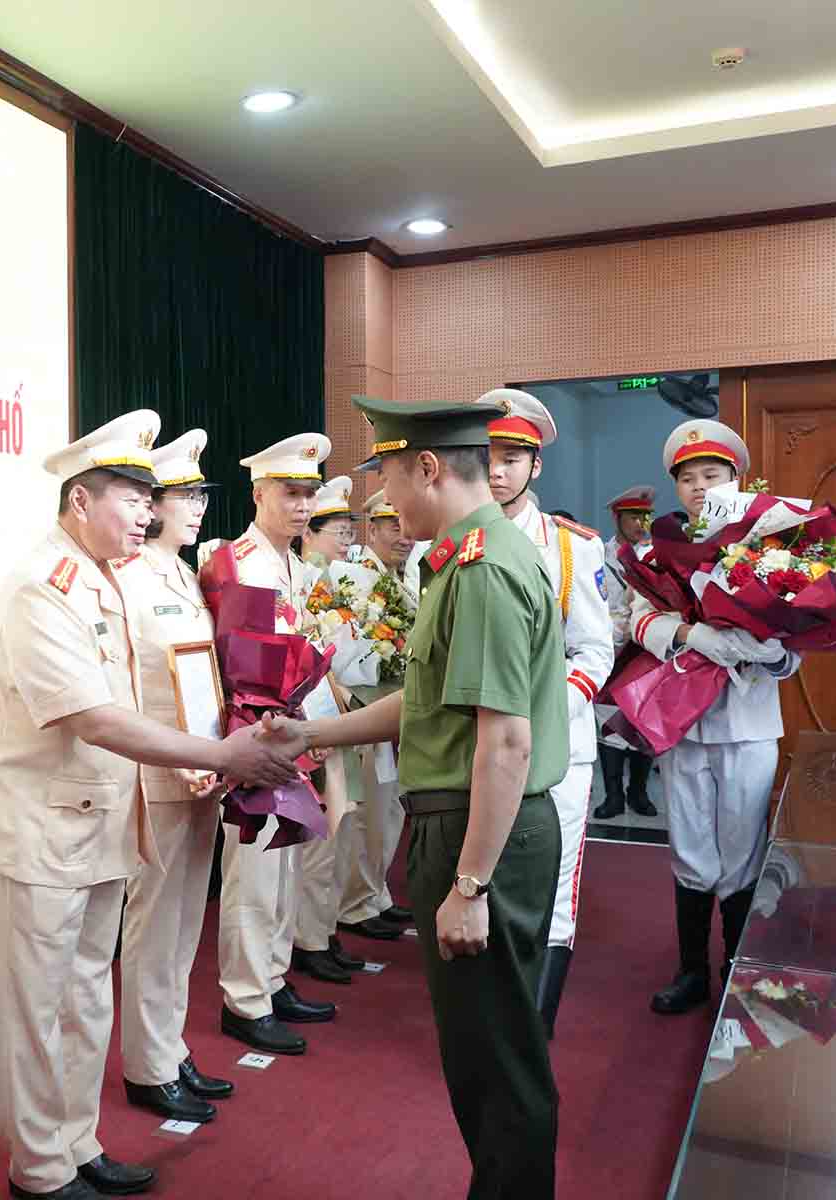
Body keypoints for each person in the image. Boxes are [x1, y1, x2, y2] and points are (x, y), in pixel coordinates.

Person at [0, 411, 299, 1200]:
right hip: (38, 836)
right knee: (37, 1011)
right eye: (131, 496)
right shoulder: (42, 586)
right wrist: (220, 755)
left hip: (100, 825)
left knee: (84, 999)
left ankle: (77, 1144)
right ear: (80, 499)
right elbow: (94, 717)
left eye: (151, 498)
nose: (147, 512)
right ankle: (40, 1169)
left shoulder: (108, 578)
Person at [265, 394, 567, 1198]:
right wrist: (310, 733)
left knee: (496, 1058)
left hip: (479, 830)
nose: (384, 499)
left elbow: (506, 741)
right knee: (481, 1050)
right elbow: (429, 701)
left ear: (428, 468)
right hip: (469, 821)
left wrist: (470, 884)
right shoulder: (465, 560)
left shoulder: (483, 571)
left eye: (390, 478)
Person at [630, 421, 800, 1016]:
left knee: (743, 848)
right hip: (683, 723)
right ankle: (692, 971)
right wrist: (689, 634)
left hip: (748, 722)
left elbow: (797, 645)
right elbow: (636, 619)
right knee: (690, 845)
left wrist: (771, 652)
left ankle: (736, 970)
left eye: (712, 475)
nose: (699, 487)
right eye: (688, 478)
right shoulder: (657, 549)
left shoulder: (772, 547)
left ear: (738, 479)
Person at [115, 428, 236, 1125]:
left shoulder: (186, 574)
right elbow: (126, 692)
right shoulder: (126, 578)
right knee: (155, 923)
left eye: (201, 496)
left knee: (188, 921)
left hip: (205, 772)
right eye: (184, 496)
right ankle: (147, 1064)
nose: (196, 508)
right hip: (157, 776)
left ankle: (170, 1044)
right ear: (151, 504)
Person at [484, 390, 614, 1039]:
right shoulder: (451, 544)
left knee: (555, 890)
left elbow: (594, 648)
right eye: (487, 458)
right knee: (483, 877)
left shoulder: (571, 547)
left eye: (512, 459)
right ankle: (493, 1021)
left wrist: (543, 709)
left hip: (557, 746)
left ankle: (534, 1033)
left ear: (535, 466)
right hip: (478, 746)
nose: (497, 471)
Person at [214, 433, 339, 1056]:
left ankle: (273, 976)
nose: (303, 505)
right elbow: (235, 669)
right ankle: (245, 999)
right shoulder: (237, 562)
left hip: (292, 732)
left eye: (309, 493)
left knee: (287, 867)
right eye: (291, 492)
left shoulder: (297, 566)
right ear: (259, 493)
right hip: (254, 736)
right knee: (256, 873)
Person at [290, 475, 373, 986]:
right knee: (318, 839)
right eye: (337, 531)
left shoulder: (341, 584)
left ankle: (322, 931)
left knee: (341, 831)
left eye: (348, 531)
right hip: (311, 721)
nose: (346, 540)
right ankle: (310, 940)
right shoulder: (300, 582)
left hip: (340, 717)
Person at [336, 488, 418, 939]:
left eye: (405, 526)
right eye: (392, 526)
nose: (403, 536)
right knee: (369, 812)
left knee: (389, 812)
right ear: (372, 529)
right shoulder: (357, 578)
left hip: (394, 711)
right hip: (366, 710)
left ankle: (375, 893)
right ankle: (357, 903)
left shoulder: (395, 576)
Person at [594, 485, 657, 820]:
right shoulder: (597, 555)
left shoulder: (655, 556)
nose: (641, 523)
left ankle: (639, 792)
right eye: (633, 516)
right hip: (611, 648)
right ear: (616, 518)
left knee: (644, 722)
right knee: (609, 722)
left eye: (646, 516)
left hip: (646, 650)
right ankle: (613, 795)